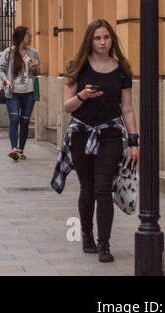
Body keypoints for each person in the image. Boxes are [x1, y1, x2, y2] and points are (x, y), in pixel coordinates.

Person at [54, 19, 139, 263]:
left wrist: (134, 142)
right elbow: (68, 105)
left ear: (112, 40)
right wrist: (83, 95)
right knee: (87, 187)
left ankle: (104, 243)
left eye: (106, 37)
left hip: (110, 134)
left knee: (103, 188)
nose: (102, 42)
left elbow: (128, 108)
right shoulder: (77, 67)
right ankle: (87, 235)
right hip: (81, 133)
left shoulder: (122, 69)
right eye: (97, 38)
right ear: (89, 41)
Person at [0, 26, 40, 161]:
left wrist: (34, 68)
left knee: (25, 120)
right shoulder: (8, 53)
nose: (30, 37)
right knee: (14, 119)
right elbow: (0, 70)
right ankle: (14, 149)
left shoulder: (33, 53)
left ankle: (21, 149)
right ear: (21, 37)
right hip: (13, 92)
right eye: (28, 34)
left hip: (29, 92)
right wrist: (6, 80)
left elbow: (37, 71)